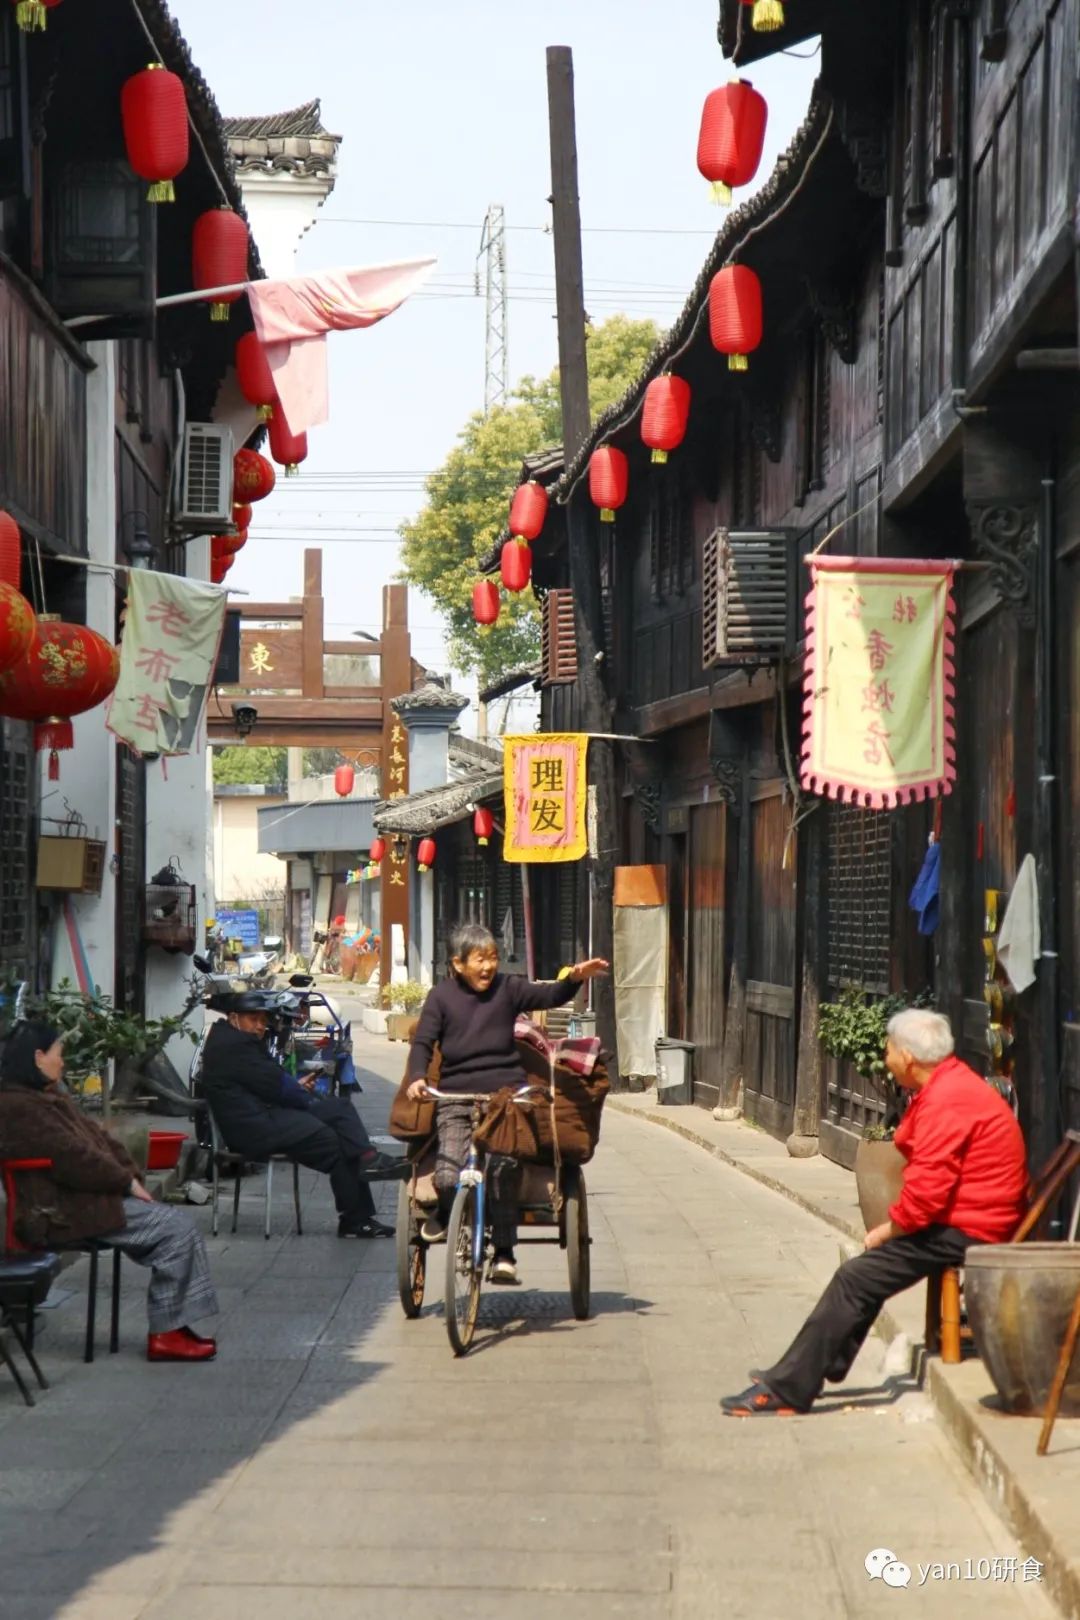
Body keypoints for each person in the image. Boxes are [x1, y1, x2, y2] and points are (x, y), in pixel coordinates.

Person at [720, 1007, 1028, 1416]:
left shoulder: (947, 1098)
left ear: (908, 1057)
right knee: (861, 1275)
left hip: (972, 1228)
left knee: (856, 1276)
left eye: (889, 1050)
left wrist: (886, 1231)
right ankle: (814, 1363)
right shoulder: (949, 1084)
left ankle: (788, 1389)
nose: (885, 1058)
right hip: (965, 1218)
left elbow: (925, 1197)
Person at [0, 1020, 219, 1363]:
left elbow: (98, 1139)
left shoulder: (45, 1096)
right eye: (58, 1052)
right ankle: (166, 1332)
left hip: (83, 1198)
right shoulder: (17, 1107)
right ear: (38, 1057)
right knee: (176, 1229)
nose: (62, 1061)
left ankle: (173, 1325)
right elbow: (72, 1158)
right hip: (57, 1211)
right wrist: (124, 1182)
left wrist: (128, 1176)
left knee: (173, 1224)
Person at [406, 922, 608, 1284]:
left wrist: (574, 978)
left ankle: (503, 1252)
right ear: (458, 964)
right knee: (447, 1175)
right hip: (455, 1098)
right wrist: (418, 1077)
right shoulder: (440, 997)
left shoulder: (508, 988)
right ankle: (448, 1214)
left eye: (493, 958)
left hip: (506, 1099)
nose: (488, 967)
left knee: (503, 1170)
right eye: (479, 959)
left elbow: (548, 996)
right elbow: (423, 1042)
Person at [200, 993, 408, 1239]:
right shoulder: (236, 1047)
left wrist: (295, 1088)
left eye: (263, 1020)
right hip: (256, 1129)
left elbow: (266, 1083)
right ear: (234, 1018)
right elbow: (275, 1085)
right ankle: (357, 1214)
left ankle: (367, 1162)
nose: (259, 1026)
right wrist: (297, 1092)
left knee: (340, 1110)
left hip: (262, 1118)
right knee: (339, 1142)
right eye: (253, 1019)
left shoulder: (231, 1040)